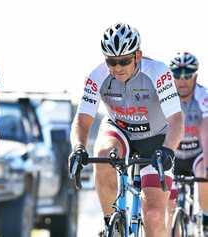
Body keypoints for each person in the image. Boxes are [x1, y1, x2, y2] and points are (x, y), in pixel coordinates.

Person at [69, 22, 184, 237]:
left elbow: (177, 120)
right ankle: (111, 226)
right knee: (102, 155)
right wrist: (77, 147)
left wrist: (168, 149)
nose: (117, 68)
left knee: (154, 216)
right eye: (111, 62)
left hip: (156, 138)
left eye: (124, 61)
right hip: (119, 129)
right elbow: (82, 121)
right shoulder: (97, 76)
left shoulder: (158, 72)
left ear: (138, 55)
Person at [168, 52, 208, 235]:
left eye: (187, 75)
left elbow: (207, 131)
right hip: (173, 156)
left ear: (196, 76)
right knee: (167, 210)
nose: (182, 80)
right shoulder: (165, 97)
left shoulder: (203, 96)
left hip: (197, 155)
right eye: (177, 75)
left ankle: (206, 217)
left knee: (204, 172)